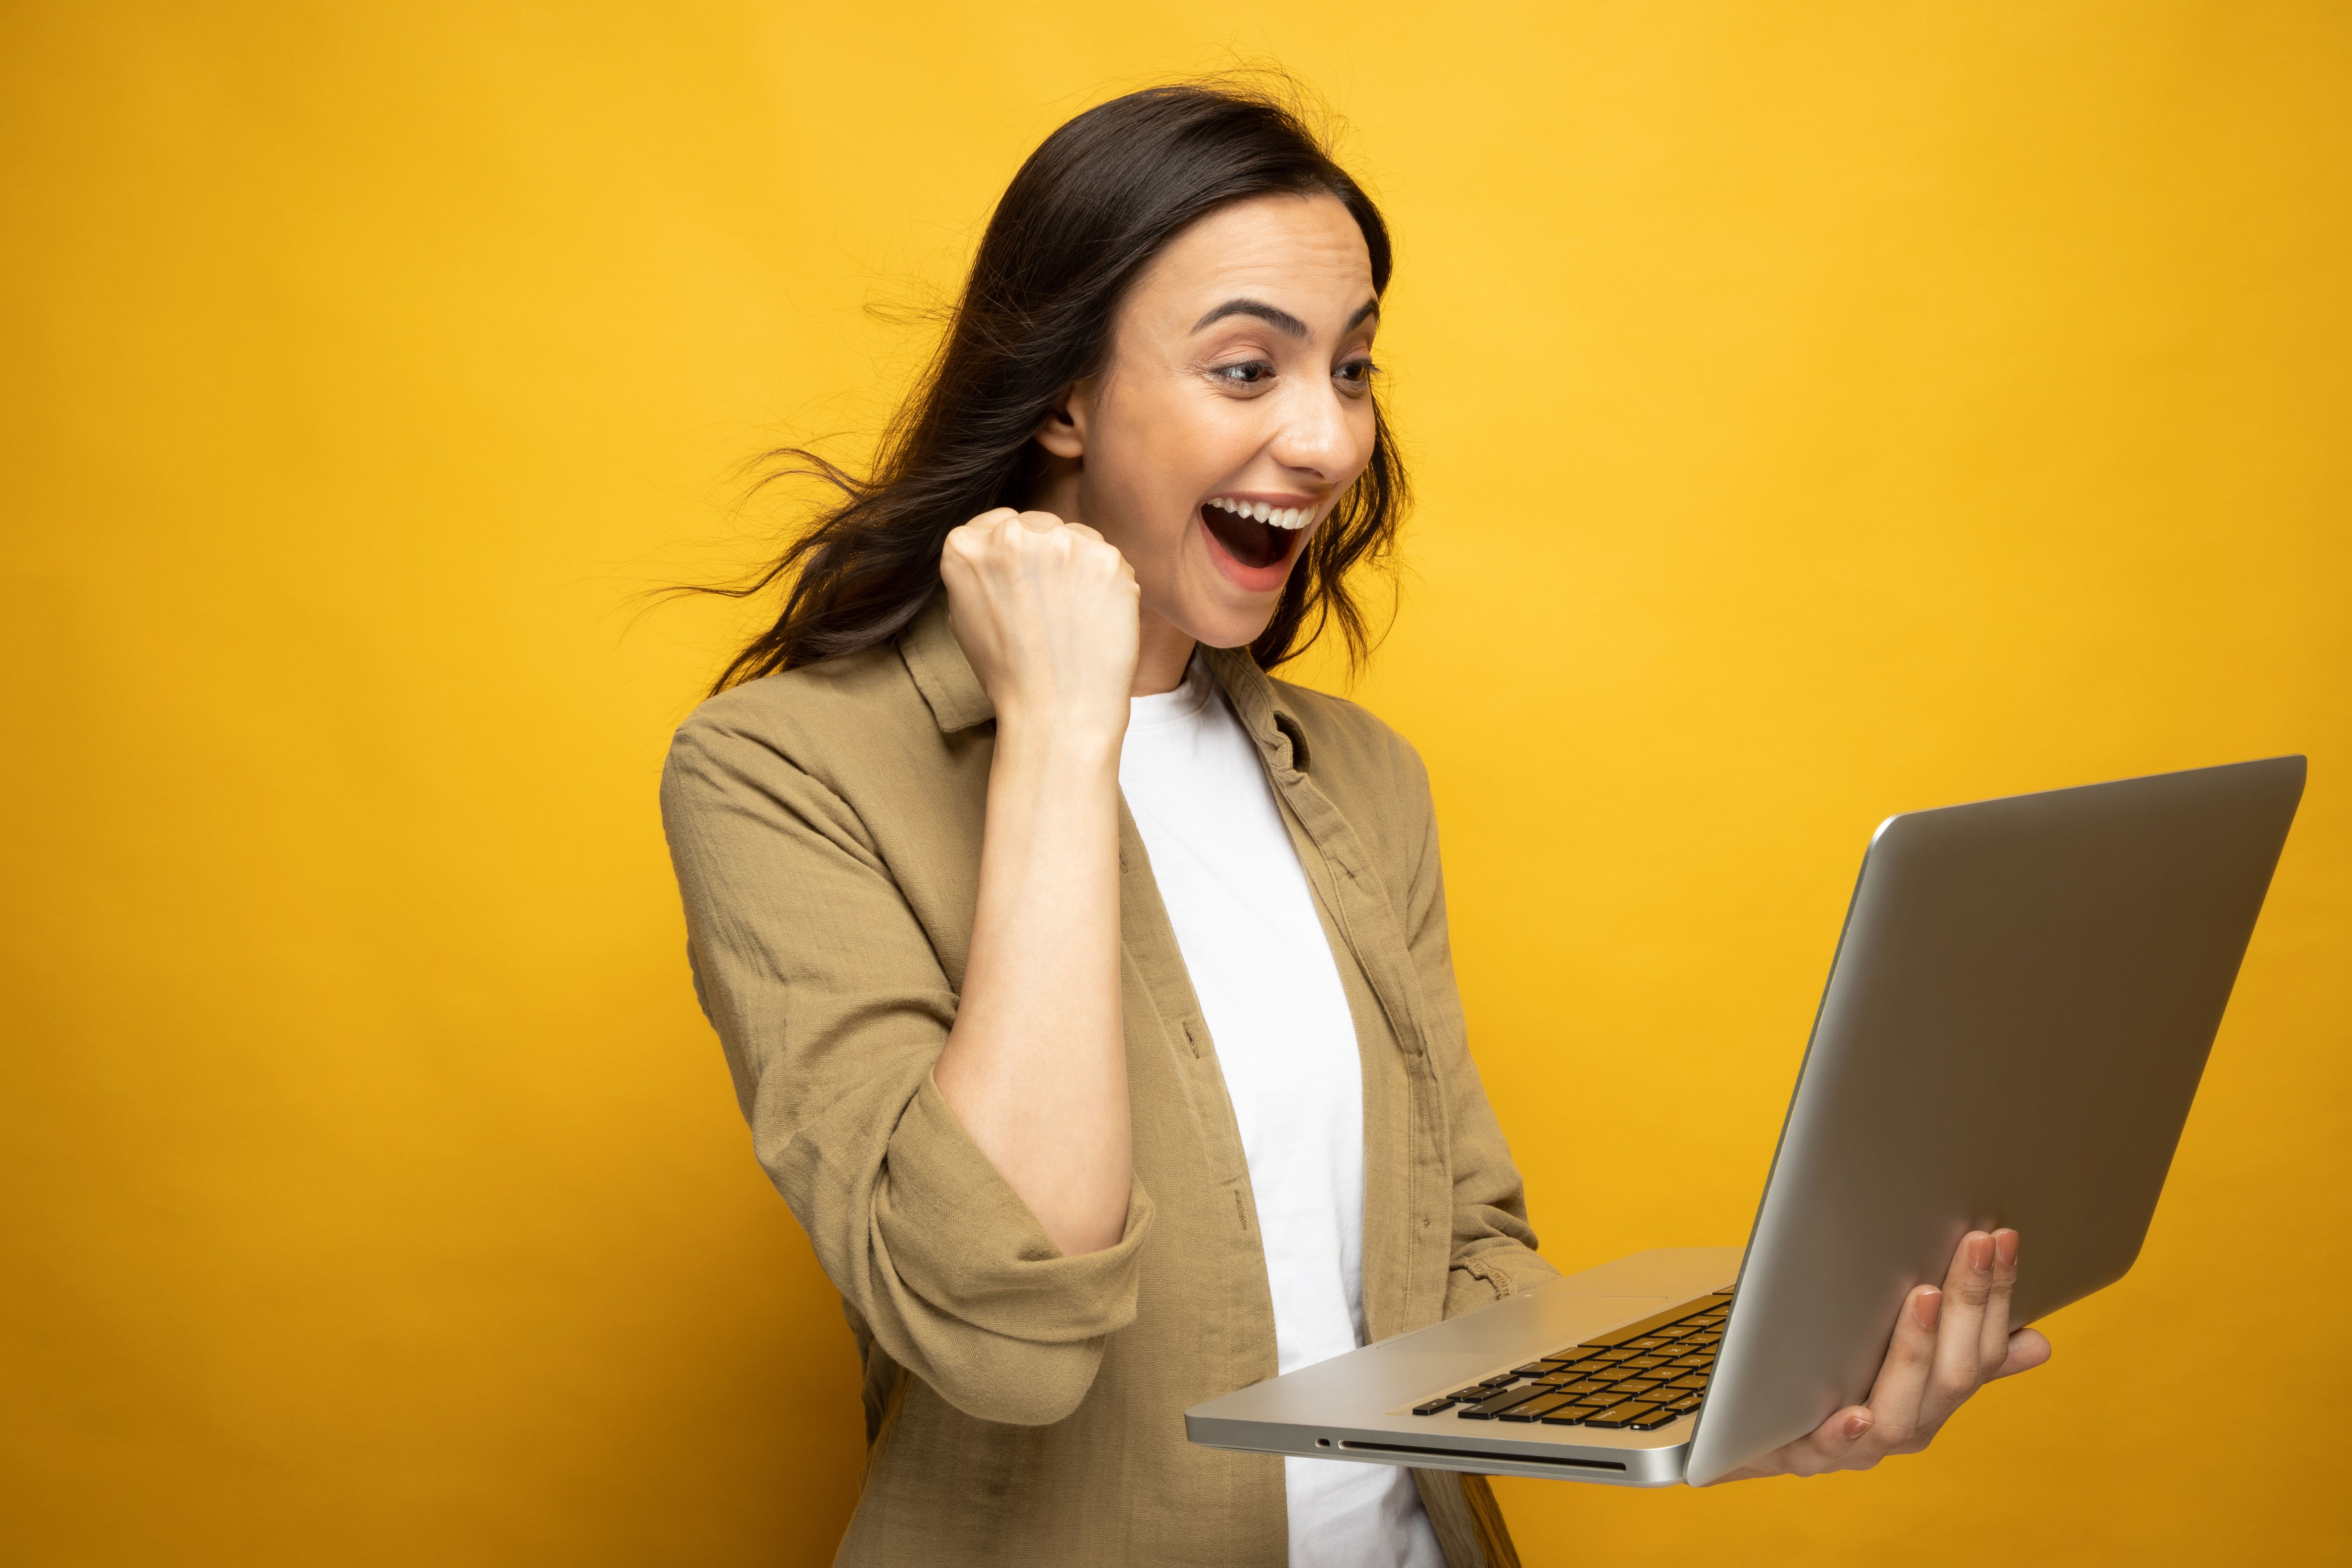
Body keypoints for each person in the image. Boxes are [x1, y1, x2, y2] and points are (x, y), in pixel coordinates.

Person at [660, 82, 2050, 1568]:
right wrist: (1064, 730)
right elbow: (1007, 1325)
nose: (1327, 441)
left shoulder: (1361, 780)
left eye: (1355, 369)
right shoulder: (782, 773)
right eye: (1249, 369)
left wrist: (1754, 1403)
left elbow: (1454, 1273)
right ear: (1063, 394)